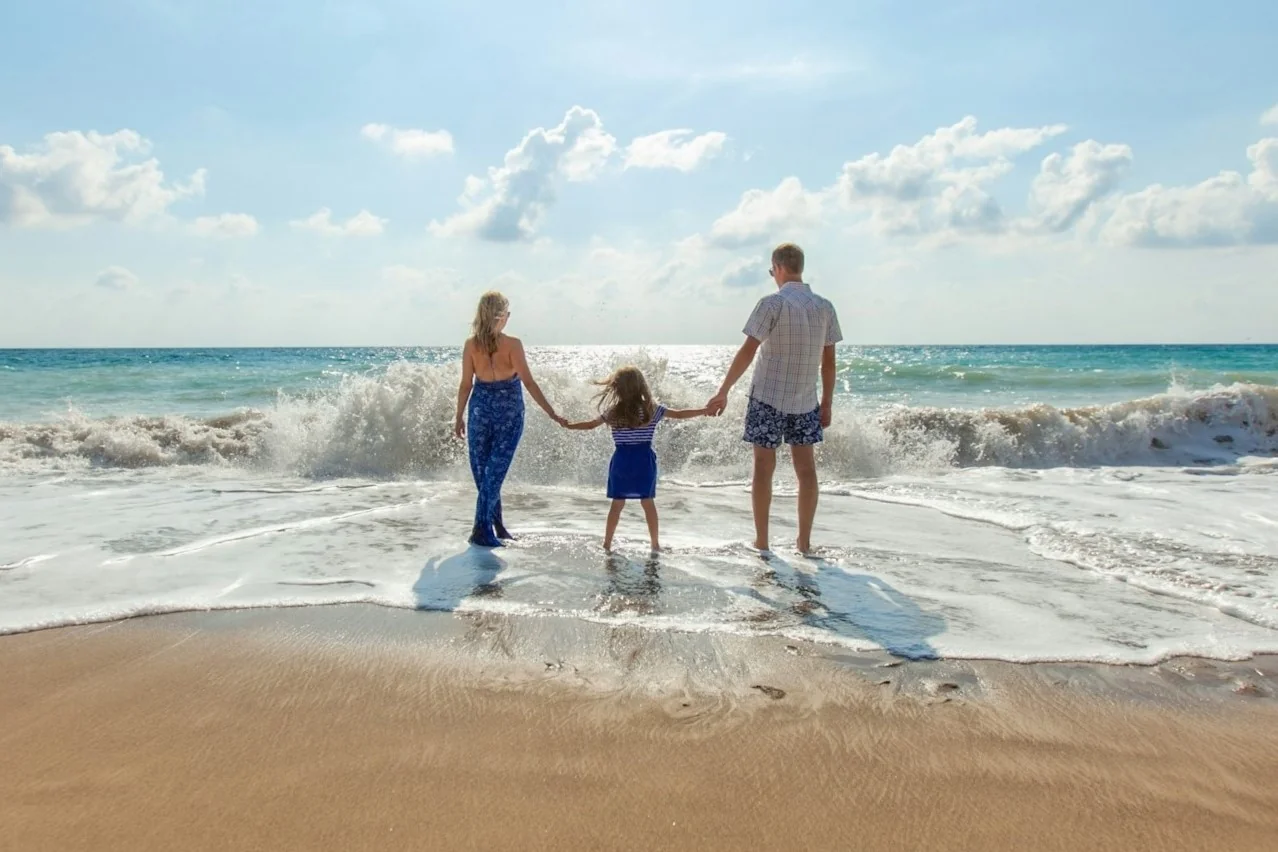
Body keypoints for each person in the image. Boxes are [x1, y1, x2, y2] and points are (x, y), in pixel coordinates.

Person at [705, 243, 842, 554]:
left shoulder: (772, 304)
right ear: (800, 268)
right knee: (806, 471)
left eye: (771, 271)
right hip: (806, 401)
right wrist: (828, 403)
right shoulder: (825, 307)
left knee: (763, 468)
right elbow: (829, 363)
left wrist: (723, 390)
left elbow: (748, 351)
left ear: (778, 268)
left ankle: (762, 542)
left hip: (767, 398)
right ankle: (804, 543)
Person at [454, 291, 565, 548]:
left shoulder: (471, 345)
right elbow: (528, 382)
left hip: (481, 410)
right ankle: (482, 529)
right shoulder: (512, 344)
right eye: (507, 313)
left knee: (487, 474)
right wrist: (551, 412)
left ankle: (496, 526)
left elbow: (465, 385)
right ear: (502, 316)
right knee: (490, 474)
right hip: (508, 413)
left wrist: (459, 416)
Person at [564, 366, 707, 552]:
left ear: (617, 388)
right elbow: (679, 414)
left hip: (622, 461)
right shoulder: (651, 409)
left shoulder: (613, 412)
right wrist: (704, 410)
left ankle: (607, 544)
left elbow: (591, 425)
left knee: (617, 504)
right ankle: (655, 544)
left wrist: (569, 425)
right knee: (647, 503)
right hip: (643, 461)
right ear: (641, 386)